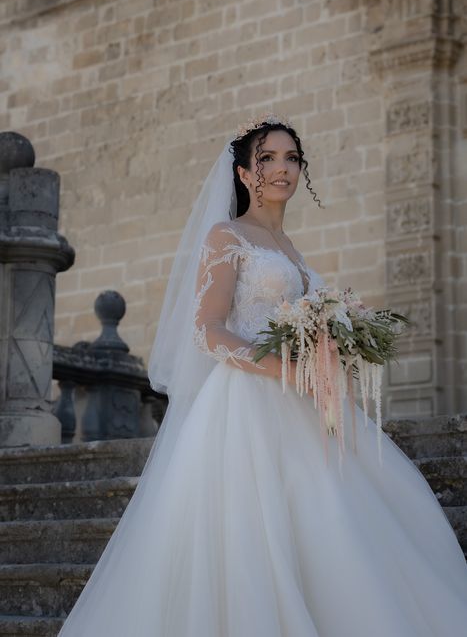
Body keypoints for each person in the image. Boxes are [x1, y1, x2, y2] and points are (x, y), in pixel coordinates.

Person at [57, 114, 467, 636]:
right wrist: (282, 368)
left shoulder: (292, 250)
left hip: (307, 402)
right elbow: (206, 330)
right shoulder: (227, 236)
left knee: (335, 524)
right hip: (246, 404)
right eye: (268, 158)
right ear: (245, 172)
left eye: (292, 158)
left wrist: (331, 351)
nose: (282, 168)